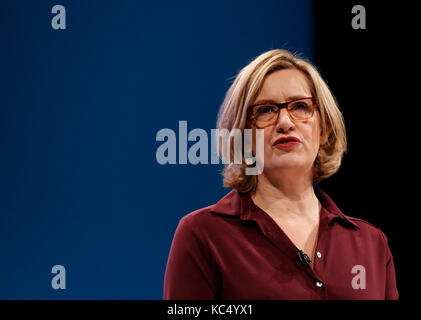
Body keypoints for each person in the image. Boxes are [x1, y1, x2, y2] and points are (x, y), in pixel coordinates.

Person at [163, 49, 398, 299]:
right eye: (265, 110)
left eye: (300, 106)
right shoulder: (203, 234)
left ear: (324, 129)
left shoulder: (371, 243)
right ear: (244, 136)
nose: (285, 122)